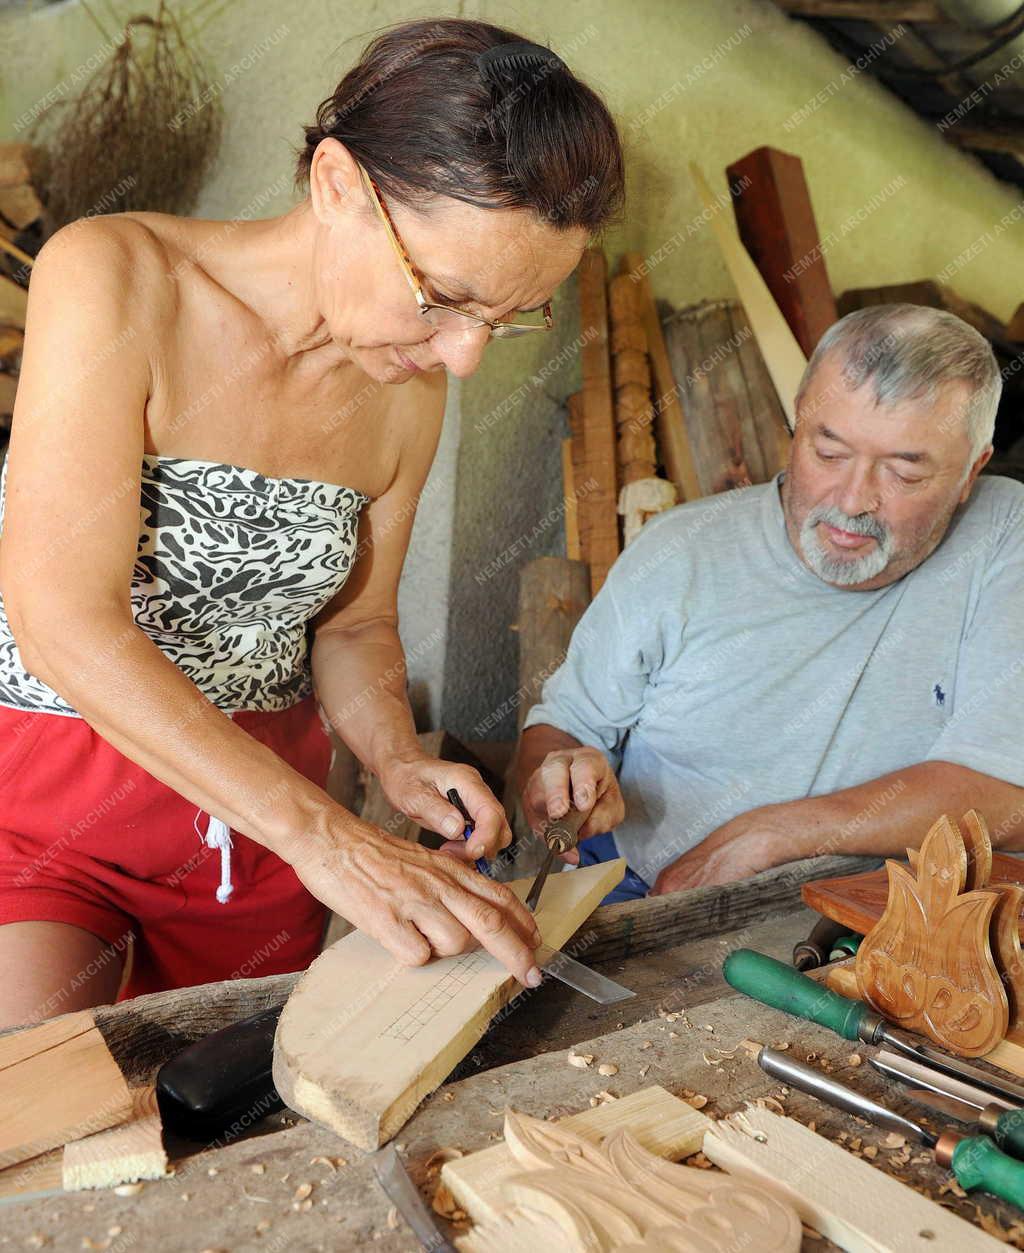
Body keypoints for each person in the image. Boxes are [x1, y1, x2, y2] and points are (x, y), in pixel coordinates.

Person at [0, 18, 625, 1025]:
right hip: (48, 798)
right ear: (337, 184)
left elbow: (353, 625)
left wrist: (394, 757)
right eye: (442, 296)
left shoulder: (407, 384)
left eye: (507, 319)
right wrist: (328, 836)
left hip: (255, 833)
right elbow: (61, 617)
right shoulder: (116, 275)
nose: (464, 355)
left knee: (226, 1115)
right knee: (37, 1108)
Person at [518, 304, 1024, 903]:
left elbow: (1005, 795)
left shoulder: (1002, 535)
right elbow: (562, 730)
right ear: (796, 423)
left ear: (971, 472)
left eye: (905, 473)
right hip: (645, 887)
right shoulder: (678, 553)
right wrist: (561, 783)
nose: (854, 499)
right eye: (828, 452)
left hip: (878, 920)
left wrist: (773, 834)